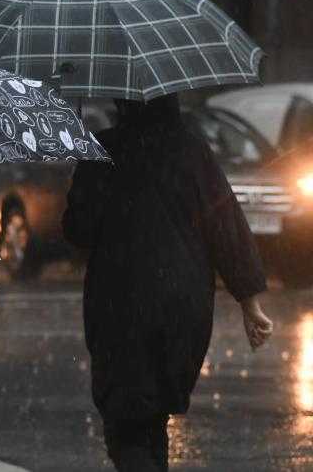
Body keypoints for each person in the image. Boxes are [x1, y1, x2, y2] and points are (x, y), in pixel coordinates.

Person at [62, 94, 273, 472]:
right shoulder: (192, 150)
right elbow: (226, 225)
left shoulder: (104, 150)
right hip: (184, 302)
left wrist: (83, 170)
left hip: (120, 304)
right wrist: (249, 302)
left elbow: (78, 230)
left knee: (128, 424)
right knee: (154, 414)